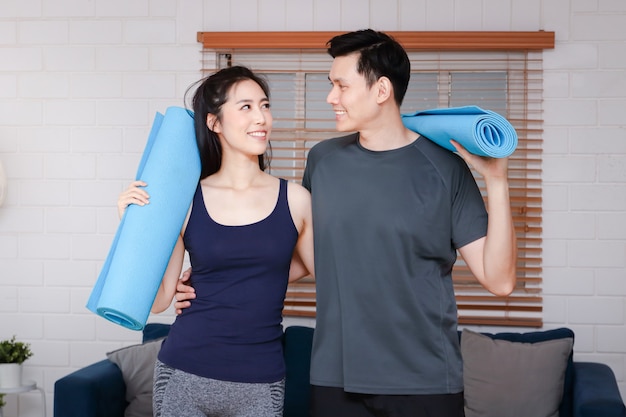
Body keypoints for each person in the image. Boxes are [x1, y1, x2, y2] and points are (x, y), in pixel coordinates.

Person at [176, 29, 517, 417]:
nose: (330, 97)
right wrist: (208, 281)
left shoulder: (445, 168)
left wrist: (497, 181)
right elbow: (306, 257)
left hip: (424, 379)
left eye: (341, 85)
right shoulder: (323, 161)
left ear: (381, 91)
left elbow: (499, 280)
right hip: (335, 379)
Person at [117, 66, 314, 417]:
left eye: (264, 105)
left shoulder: (296, 199)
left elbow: (321, 270)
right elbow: (160, 299)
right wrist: (131, 225)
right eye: (246, 107)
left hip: (261, 379)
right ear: (214, 122)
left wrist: (251, 281)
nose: (261, 118)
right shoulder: (186, 200)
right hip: (183, 372)